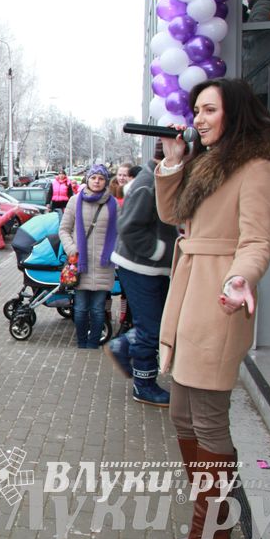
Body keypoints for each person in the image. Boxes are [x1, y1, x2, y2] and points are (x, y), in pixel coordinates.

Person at [157, 78, 270, 539]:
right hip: (188, 295)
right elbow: (173, 213)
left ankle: (210, 533)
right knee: (182, 415)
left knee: (207, 420)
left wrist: (241, 279)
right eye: (196, 111)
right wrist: (173, 160)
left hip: (218, 301)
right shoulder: (206, 163)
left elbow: (257, 240)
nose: (198, 119)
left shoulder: (258, 169)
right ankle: (212, 525)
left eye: (209, 110)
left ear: (234, 112)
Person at [106, 142, 177, 408]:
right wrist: (160, 250)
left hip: (150, 267)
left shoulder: (158, 178)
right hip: (140, 266)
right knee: (151, 329)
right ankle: (143, 384)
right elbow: (130, 228)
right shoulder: (149, 182)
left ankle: (123, 347)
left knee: (154, 325)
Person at [58, 164, 118, 349]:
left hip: (103, 264)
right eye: (93, 178)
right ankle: (81, 342)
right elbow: (64, 229)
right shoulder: (74, 201)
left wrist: (114, 252)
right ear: (88, 180)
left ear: (105, 181)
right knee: (81, 308)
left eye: (101, 178)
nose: (97, 181)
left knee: (98, 310)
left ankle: (93, 344)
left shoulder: (112, 203)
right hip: (80, 264)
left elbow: (119, 232)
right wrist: (71, 249)